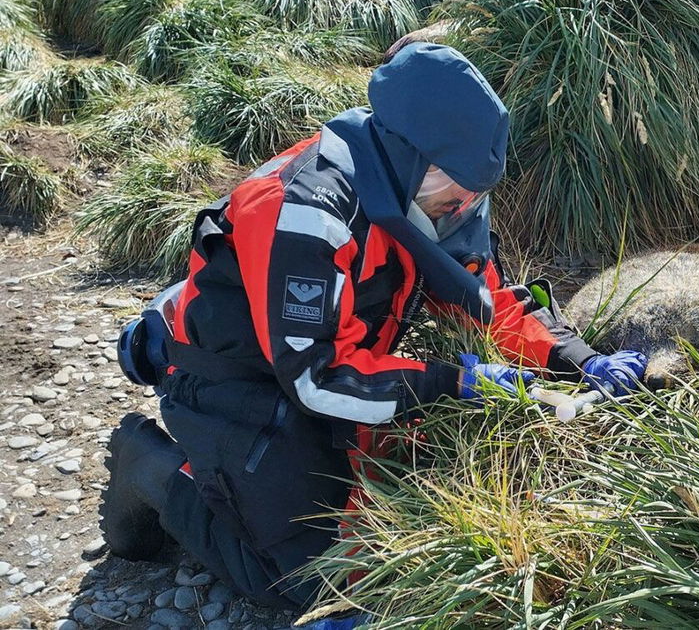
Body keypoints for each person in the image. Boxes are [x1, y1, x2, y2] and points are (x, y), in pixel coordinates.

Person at [99, 42, 647, 609]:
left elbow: (482, 299)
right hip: (241, 379)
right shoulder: (306, 213)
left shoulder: (427, 200)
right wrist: (450, 383)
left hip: (330, 361)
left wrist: (577, 360)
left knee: (373, 508)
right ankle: (155, 469)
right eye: (454, 187)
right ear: (409, 154)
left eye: (476, 193)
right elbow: (315, 378)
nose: (462, 206)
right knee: (308, 587)